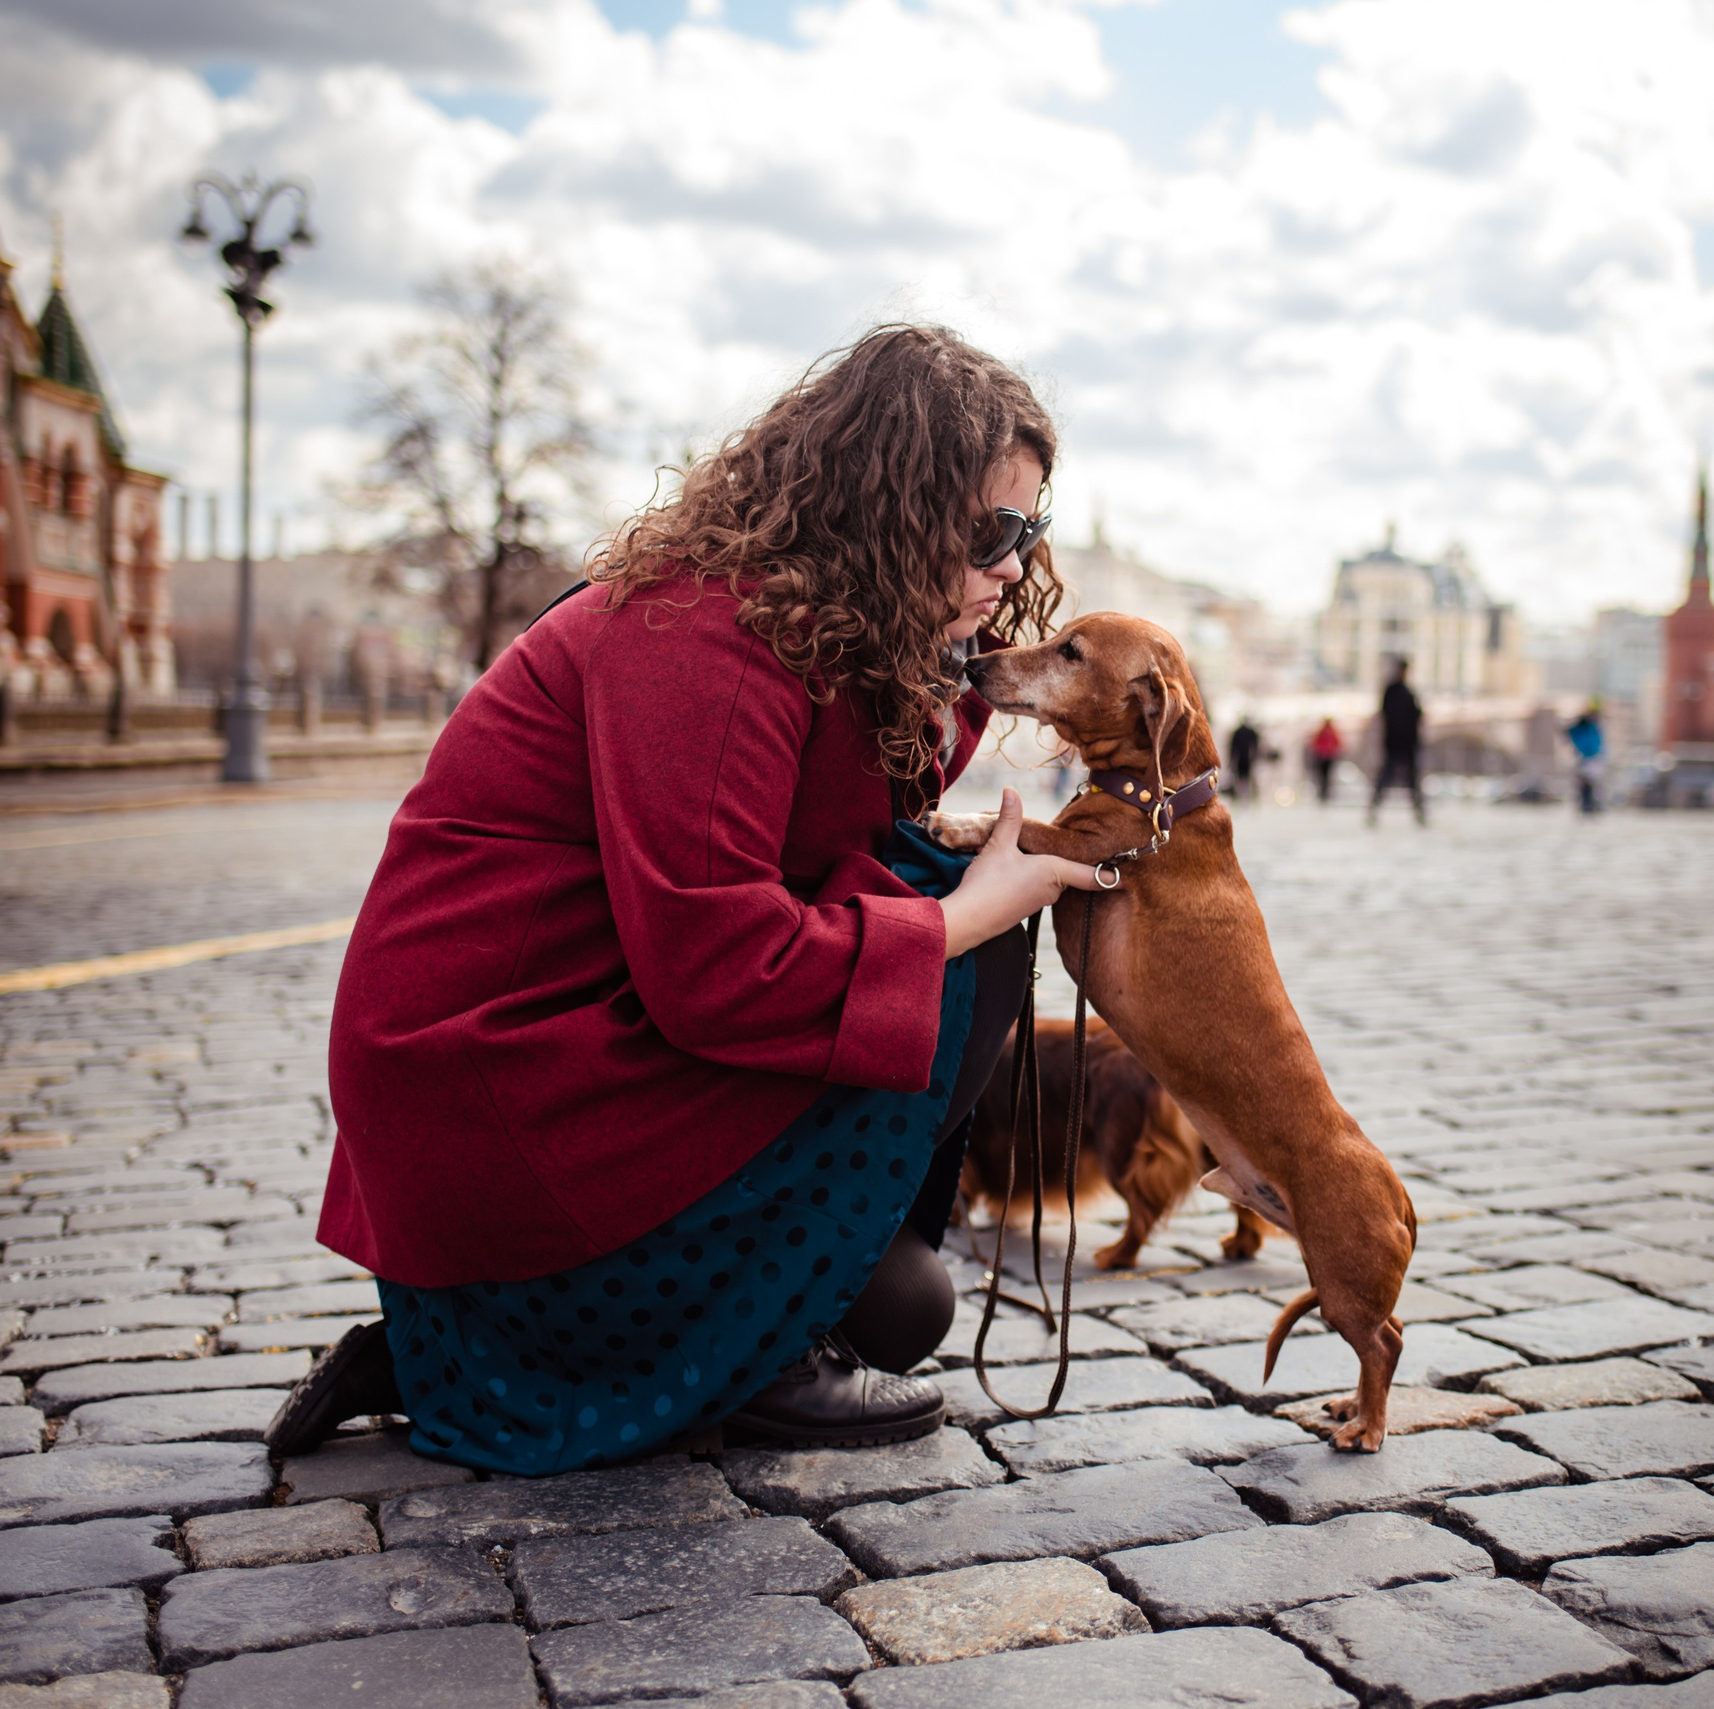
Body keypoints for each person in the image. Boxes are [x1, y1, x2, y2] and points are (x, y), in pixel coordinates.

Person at [273, 327, 1105, 1473]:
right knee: (965, 939)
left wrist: (960, 665)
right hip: (501, 1073)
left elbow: (850, 821)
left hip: (584, 1036)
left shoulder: (814, 627)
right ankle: (655, 1354)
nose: (1013, 567)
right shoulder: (700, 630)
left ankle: (498, 1349)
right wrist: (972, 913)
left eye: (1029, 532)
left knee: (907, 1308)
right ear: (889, 513)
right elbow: (720, 966)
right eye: (987, 533)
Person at [1367, 657, 1426, 826]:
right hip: (1396, 742)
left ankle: (1419, 814)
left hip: (1406, 743)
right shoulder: (1394, 692)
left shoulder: (1406, 692)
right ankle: (1374, 810)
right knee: (1387, 778)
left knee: (1411, 781)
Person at [1567, 702, 1605, 815]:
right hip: (1586, 758)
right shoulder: (1584, 728)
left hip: (1592, 758)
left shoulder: (1594, 727)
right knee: (1585, 784)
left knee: (1591, 784)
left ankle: (1590, 805)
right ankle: (1586, 806)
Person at [1306, 716, 1344, 804]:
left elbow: (1338, 743)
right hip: (1323, 757)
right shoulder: (1323, 732)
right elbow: (1315, 744)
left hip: (1327, 757)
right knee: (1323, 776)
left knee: (1326, 776)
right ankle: (1323, 793)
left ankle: (1325, 793)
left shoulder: (1328, 732)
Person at [1227, 713, 1262, 804]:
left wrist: (1232, 760)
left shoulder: (1238, 732)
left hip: (1242, 759)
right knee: (1245, 778)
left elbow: (1233, 748)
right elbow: (1255, 746)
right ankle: (1246, 797)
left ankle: (1246, 797)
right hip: (1246, 759)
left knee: (1243, 779)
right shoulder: (1250, 732)